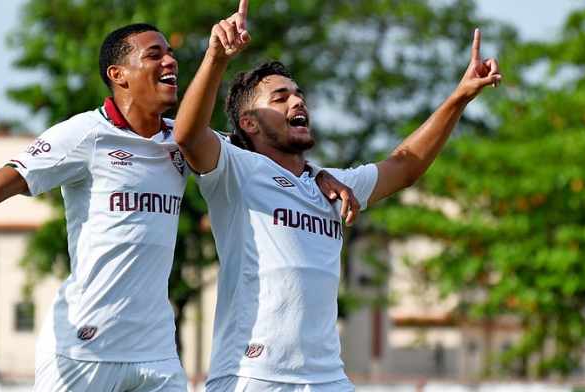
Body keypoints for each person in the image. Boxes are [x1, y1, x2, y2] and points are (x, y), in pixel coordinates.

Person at [0, 21, 357, 392]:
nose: (169, 61)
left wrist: (320, 175)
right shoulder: (84, 135)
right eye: (154, 54)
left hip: (156, 355)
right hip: (85, 348)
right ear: (118, 74)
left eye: (170, 53)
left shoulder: (183, 142)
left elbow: (271, 159)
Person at [173, 0, 501, 390]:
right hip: (252, 375)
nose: (297, 101)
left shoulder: (332, 187)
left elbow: (405, 166)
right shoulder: (236, 171)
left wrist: (459, 97)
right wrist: (215, 58)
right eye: (279, 98)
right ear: (249, 123)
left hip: (327, 378)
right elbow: (189, 135)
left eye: (298, 95)